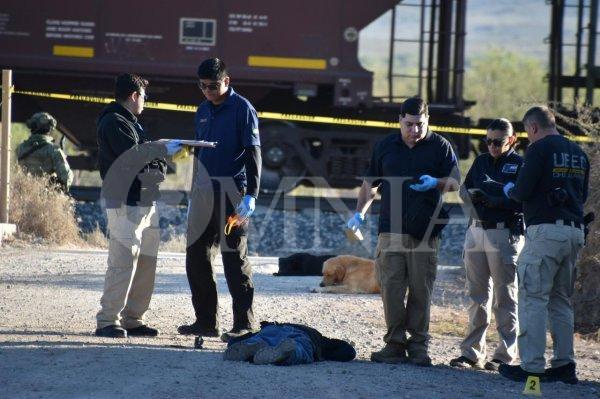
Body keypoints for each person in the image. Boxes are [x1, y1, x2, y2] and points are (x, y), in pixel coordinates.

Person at [347, 97, 460, 367]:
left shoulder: (440, 146)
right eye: (409, 124)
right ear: (400, 120)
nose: (415, 130)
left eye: (420, 125)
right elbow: (369, 184)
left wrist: (436, 182)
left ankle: (419, 347)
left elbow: (456, 182)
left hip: (425, 232)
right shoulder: (386, 146)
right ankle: (394, 345)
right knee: (391, 289)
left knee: (421, 290)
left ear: (427, 121)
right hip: (391, 231)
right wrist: (359, 213)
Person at [499, 106, 589, 384]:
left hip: (545, 232)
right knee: (561, 301)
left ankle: (532, 366)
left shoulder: (538, 150)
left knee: (533, 298)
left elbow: (522, 191)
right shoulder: (578, 153)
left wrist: (509, 191)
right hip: (574, 232)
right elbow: (582, 195)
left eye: (528, 131)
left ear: (533, 127)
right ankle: (564, 364)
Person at [179, 58, 262, 342]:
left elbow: (253, 154)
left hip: (232, 193)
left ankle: (244, 324)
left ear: (226, 81)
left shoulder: (243, 109)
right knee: (197, 257)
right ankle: (205, 322)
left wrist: (251, 194)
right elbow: (202, 154)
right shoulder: (202, 111)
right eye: (202, 86)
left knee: (233, 258)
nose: (207, 92)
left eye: (213, 86)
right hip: (203, 193)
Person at [95, 73, 182, 338]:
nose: (145, 101)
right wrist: (163, 153)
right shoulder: (114, 122)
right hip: (126, 202)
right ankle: (107, 321)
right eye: (144, 96)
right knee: (122, 262)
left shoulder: (132, 124)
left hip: (145, 201)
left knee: (146, 263)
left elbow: (147, 159)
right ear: (134, 96)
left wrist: (158, 154)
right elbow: (133, 159)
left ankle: (133, 318)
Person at [449, 118, 524, 371]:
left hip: (504, 235)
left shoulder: (520, 165)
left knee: (505, 297)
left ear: (512, 140)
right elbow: (464, 190)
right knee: (477, 296)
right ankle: (471, 354)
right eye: (488, 141)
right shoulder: (481, 162)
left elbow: (522, 202)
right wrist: (473, 198)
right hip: (477, 230)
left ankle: (504, 356)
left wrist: (493, 200)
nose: (492, 146)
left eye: (498, 142)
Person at [223, 321, 356, 365]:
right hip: (301, 336)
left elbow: (235, 341)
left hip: (273, 328)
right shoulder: (320, 339)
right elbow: (348, 352)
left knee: (259, 339)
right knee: (299, 349)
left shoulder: (276, 326)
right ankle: (286, 353)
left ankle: (252, 346)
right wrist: (326, 355)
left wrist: (233, 341)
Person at [17, 112, 73, 191]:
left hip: (22, 195)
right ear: (49, 129)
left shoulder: (20, 148)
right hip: (45, 198)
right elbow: (66, 178)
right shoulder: (53, 150)